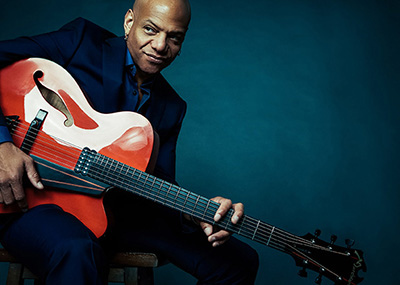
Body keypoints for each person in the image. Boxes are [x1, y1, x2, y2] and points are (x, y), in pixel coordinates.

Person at [0, 0, 259, 284]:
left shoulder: (172, 106)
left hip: (113, 211)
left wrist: (196, 212)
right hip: (27, 202)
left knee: (238, 261)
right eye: (151, 29)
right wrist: (2, 144)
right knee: (77, 249)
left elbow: (156, 182)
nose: (161, 45)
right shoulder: (81, 41)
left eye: (174, 37)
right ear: (128, 22)